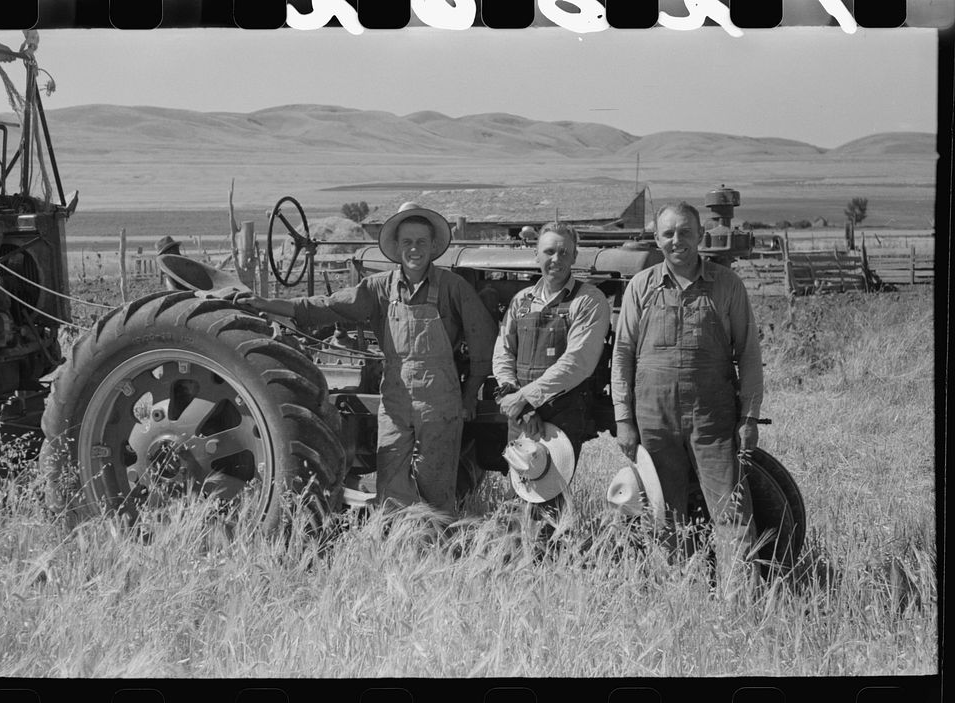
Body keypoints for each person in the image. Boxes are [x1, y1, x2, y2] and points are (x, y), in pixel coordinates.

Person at [237, 204, 497, 518]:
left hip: (440, 402)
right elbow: (328, 306)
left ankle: (436, 549)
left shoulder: (453, 288)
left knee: (436, 484)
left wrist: (470, 396)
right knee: (390, 480)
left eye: (421, 242)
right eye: (407, 242)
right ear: (397, 247)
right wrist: (270, 304)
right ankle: (399, 545)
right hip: (395, 398)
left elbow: (483, 341)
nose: (414, 249)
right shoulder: (379, 288)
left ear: (432, 246)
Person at [611, 201, 763, 597]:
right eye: (668, 233)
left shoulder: (726, 285)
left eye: (685, 232)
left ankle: (739, 598)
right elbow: (623, 354)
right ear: (657, 238)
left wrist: (749, 417)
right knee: (665, 511)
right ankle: (682, 594)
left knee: (730, 510)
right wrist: (624, 419)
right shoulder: (641, 286)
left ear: (700, 236)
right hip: (653, 416)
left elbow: (747, 354)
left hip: (712, 416)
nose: (676, 240)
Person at [492, 221, 611, 533]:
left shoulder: (588, 301)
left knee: (551, 495)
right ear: (536, 255)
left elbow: (577, 363)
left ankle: (549, 560)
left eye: (563, 252)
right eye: (548, 251)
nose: (555, 259)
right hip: (520, 411)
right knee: (521, 485)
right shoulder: (521, 301)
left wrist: (525, 397)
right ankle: (521, 559)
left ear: (574, 257)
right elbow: (503, 353)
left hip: (563, 411)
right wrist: (516, 399)